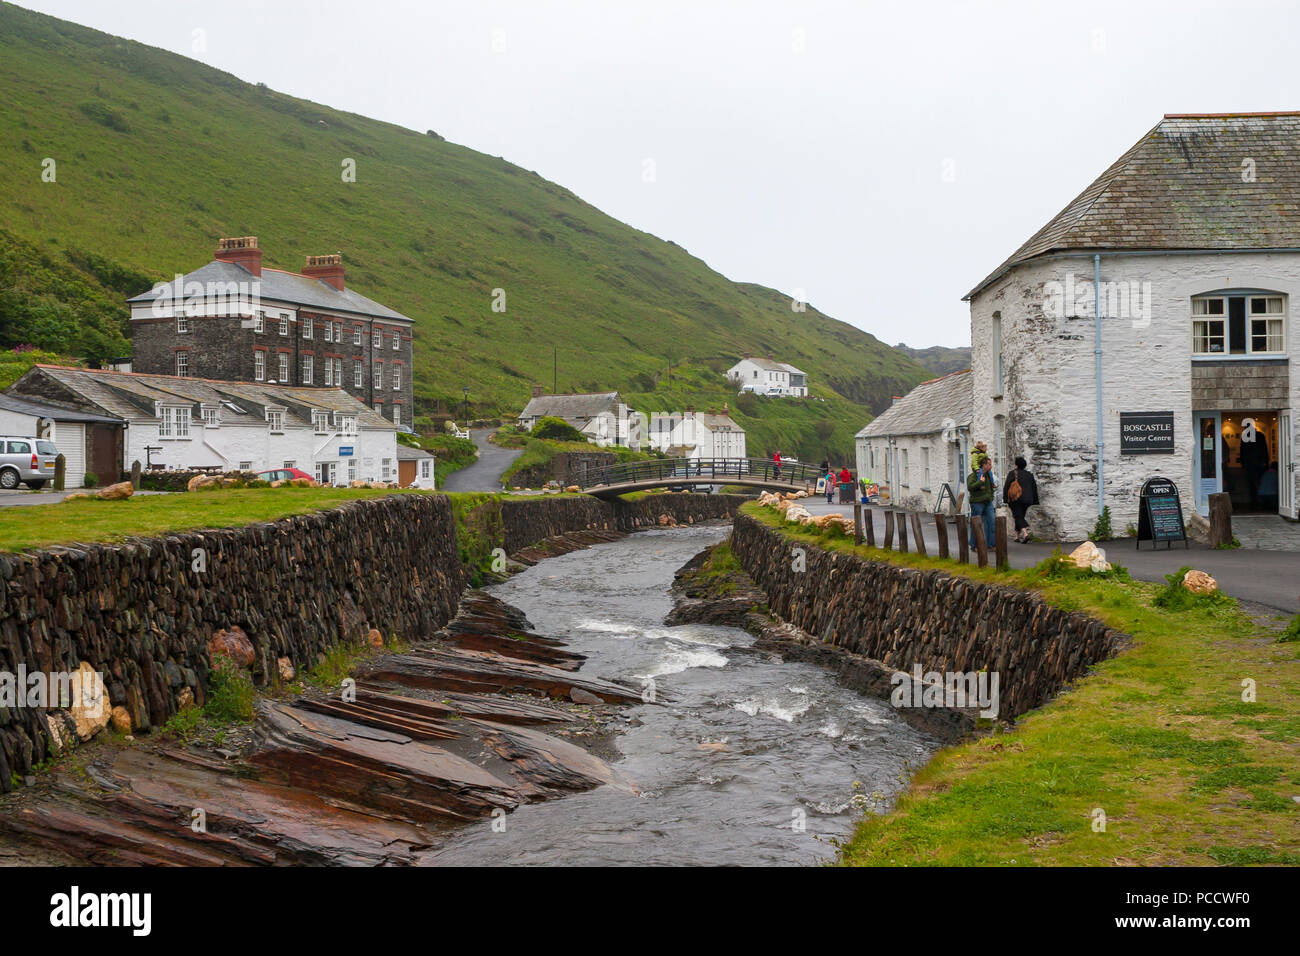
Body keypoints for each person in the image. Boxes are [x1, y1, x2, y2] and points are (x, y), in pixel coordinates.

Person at [1003, 455, 1039, 543]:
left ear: (1016, 465)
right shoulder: (1029, 475)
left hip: (1016, 499)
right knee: (1020, 516)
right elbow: (1034, 487)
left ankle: (1025, 533)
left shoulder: (1013, 473)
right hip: (1027, 500)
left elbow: (1006, 487)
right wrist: (1035, 500)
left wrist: (1005, 499)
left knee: (1018, 516)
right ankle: (1016, 536)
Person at [967, 454, 995, 550]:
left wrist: (991, 496)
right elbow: (970, 487)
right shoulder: (973, 476)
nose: (991, 466)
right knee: (976, 523)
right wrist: (980, 482)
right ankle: (974, 545)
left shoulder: (989, 476)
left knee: (991, 522)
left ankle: (990, 544)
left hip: (988, 502)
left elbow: (991, 488)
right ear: (983, 465)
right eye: (989, 464)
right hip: (977, 502)